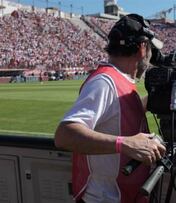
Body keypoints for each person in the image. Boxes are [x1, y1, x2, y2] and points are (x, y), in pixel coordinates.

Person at [54, 14, 166, 203]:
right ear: (142, 48)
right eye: (150, 50)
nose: (150, 57)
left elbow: (123, 111)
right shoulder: (105, 81)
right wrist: (126, 144)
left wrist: (160, 97)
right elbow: (64, 135)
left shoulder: (119, 78)